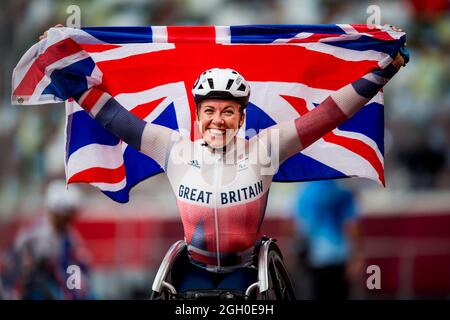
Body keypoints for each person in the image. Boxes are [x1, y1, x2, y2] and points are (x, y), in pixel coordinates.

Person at [38, 26, 408, 295]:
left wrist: (381, 72)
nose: (218, 120)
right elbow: (115, 118)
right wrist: (65, 68)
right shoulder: (174, 149)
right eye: (210, 111)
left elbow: (328, 115)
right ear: (197, 116)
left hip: (245, 271)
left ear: (241, 117)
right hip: (192, 269)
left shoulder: (266, 149)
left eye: (229, 112)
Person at [0, 180, 93, 299]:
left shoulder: (71, 239)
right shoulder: (33, 237)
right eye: (66, 216)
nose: (69, 220)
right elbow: (14, 274)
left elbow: (76, 276)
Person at [292, 180, 363, 300]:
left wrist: (294, 254)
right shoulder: (344, 191)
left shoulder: (304, 192)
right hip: (340, 256)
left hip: (314, 257)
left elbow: (297, 227)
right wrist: (356, 256)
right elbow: (353, 226)